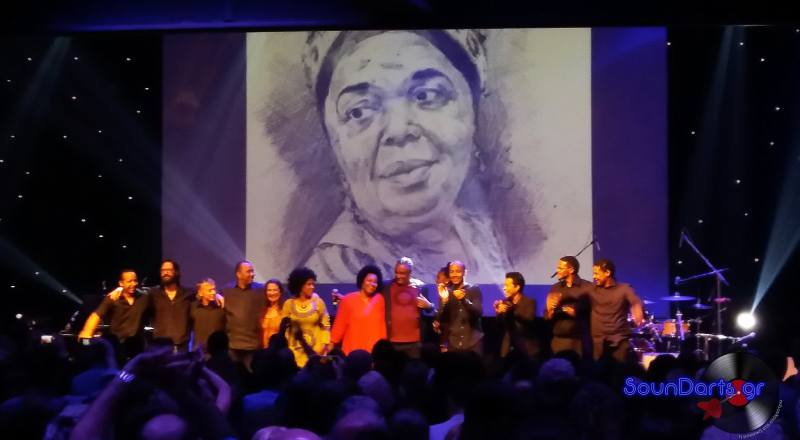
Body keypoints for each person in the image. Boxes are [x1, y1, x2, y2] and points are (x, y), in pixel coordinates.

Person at [275, 29, 541, 284]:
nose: (398, 130)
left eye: (426, 95)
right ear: (335, 146)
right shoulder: (334, 273)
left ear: (472, 112)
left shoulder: (480, 233)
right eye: (359, 111)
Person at [561, 259, 644, 362]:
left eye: (597, 273)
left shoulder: (624, 289)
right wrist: (558, 297)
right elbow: (572, 295)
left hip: (619, 340)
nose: (594, 276)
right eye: (593, 274)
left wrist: (637, 308)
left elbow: (635, 301)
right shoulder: (591, 289)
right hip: (598, 342)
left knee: (619, 369)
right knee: (599, 369)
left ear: (607, 273)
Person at [78, 269, 149, 358]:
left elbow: (156, 291)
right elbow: (96, 315)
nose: (133, 284)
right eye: (129, 281)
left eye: (135, 280)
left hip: (137, 347)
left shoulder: (144, 297)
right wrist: (86, 332)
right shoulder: (113, 298)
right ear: (121, 283)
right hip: (117, 347)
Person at [382, 257, 436, 358]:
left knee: (414, 367)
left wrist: (429, 306)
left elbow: (431, 311)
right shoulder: (386, 287)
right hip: (392, 341)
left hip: (414, 343)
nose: (398, 276)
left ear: (410, 273)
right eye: (396, 272)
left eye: (402, 273)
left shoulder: (420, 287)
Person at [331, 265, 387, 355]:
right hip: (352, 352)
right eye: (369, 280)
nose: (372, 284)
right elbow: (339, 326)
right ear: (362, 281)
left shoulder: (379, 299)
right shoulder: (348, 300)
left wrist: (383, 348)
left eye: (375, 282)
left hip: (373, 353)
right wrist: (331, 344)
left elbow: (382, 327)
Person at [220, 260, 265, 370]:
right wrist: (216, 295)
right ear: (238, 274)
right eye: (249, 271)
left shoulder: (261, 290)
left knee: (251, 377)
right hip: (232, 346)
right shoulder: (226, 291)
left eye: (252, 271)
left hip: (253, 346)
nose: (252, 274)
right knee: (233, 377)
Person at [544, 256, 592, 357]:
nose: (557, 271)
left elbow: (593, 312)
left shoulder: (587, 287)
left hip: (579, 341)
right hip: (558, 341)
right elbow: (546, 315)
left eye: (560, 268)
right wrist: (550, 310)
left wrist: (574, 312)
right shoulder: (555, 287)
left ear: (571, 270)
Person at [283, 267, 331, 367]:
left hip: (316, 351)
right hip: (295, 352)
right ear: (300, 285)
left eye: (313, 284)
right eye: (309, 284)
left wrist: (323, 345)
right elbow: (286, 329)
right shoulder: (288, 304)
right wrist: (289, 349)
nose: (312, 287)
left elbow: (326, 326)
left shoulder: (318, 302)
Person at [436, 261, 484, 354]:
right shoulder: (447, 292)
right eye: (452, 271)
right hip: (454, 343)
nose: (454, 274)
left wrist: (464, 300)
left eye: (458, 271)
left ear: (464, 273)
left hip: (473, 342)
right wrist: (444, 301)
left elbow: (478, 313)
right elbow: (441, 319)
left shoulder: (474, 289)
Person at [494, 271, 538, 357]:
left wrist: (513, 310)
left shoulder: (529, 301)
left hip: (525, 347)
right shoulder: (504, 302)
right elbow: (499, 327)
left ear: (517, 287)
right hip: (507, 347)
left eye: (507, 285)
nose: (504, 288)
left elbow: (529, 320)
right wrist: (498, 313)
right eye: (504, 285)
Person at [190, 278, 225, 357]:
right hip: (198, 352)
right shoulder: (193, 307)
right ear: (200, 292)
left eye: (214, 289)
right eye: (210, 290)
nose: (213, 292)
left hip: (217, 352)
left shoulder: (221, 306)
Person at [262, 279, 287, 348]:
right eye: (269, 290)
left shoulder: (285, 310)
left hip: (279, 350)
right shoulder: (262, 311)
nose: (272, 293)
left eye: (275, 290)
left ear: (280, 292)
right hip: (264, 350)